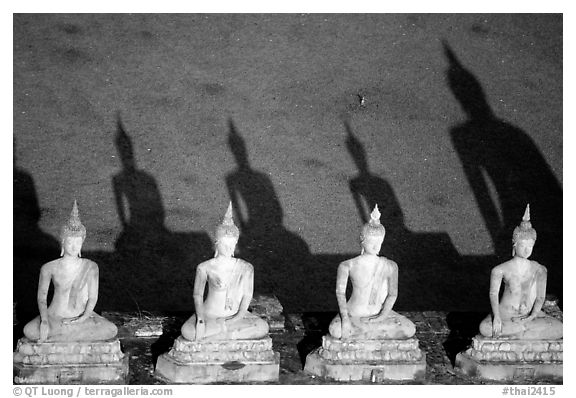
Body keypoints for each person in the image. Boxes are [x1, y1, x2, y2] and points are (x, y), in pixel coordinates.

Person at [23, 201, 117, 342]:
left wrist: (83, 318)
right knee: (29, 330)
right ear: (63, 242)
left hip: (82, 318)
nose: (74, 246)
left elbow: (92, 298)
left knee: (111, 330)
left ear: (82, 244)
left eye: (78, 242)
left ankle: (64, 337)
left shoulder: (90, 267)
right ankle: (69, 338)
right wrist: (44, 320)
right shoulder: (49, 268)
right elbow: (42, 298)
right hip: (54, 316)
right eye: (70, 242)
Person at [181, 202, 269, 341]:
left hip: (235, 317)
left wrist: (235, 319)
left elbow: (247, 296)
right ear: (216, 243)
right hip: (210, 315)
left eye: (232, 245)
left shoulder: (246, 268)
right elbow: (198, 295)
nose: (228, 248)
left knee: (262, 327)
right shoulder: (205, 267)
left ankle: (218, 334)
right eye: (224, 244)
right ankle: (228, 334)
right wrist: (201, 319)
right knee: (188, 331)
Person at [329, 205, 415, 340]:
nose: (376, 247)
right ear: (362, 241)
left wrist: (382, 316)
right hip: (354, 313)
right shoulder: (347, 265)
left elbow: (392, 295)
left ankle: (365, 333)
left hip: (379, 314)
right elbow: (340, 293)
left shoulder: (390, 266)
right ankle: (365, 332)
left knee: (409, 329)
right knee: (336, 330)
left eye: (379, 243)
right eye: (371, 242)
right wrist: (345, 319)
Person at [479, 205, 562, 340]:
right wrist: (497, 318)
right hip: (505, 315)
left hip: (529, 316)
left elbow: (540, 298)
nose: (526, 250)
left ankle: (518, 331)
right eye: (522, 245)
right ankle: (523, 332)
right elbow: (493, 294)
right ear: (514, 244)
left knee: (560, 328)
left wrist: (531, 317)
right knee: (485, 328)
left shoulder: (539, 269)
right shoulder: (500, 270)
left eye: (530, 246)